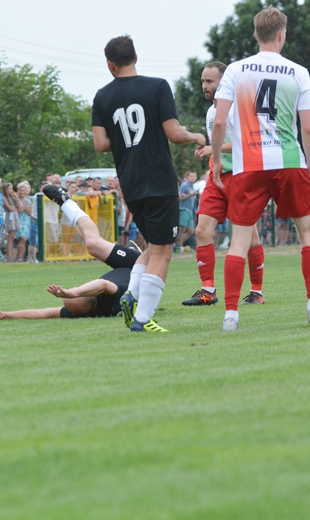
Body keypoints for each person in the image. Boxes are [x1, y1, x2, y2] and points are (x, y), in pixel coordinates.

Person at [210, 6, 310, 331]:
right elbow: (308, 129)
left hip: (249, 163)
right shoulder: (298, 72)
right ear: (282, 34)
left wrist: (218, 160)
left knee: (239, 239)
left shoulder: (235, 69)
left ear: (255, 34)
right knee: (308, 233)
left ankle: (231, 315)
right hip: (289, 160)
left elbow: (220, 120)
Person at [92, 35, 206, 333]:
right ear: (136, 58)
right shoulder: (157, 86)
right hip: (159, 180)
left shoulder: (102, 96)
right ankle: (141, 317)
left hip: (131, 183)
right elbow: (174, 133)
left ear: (110, 64)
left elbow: (101, 143)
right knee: (164, 252)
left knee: (153, 247)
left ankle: (132, 294)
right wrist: (196, 137)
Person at [0, 184, 141, 321]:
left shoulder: (84, 310)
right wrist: (74, 292)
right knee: (93, 243)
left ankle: (65, 201)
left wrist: (6, 314)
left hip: (126, 270)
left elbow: (44, 313)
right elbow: (103, 284)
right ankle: (67, 202)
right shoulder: (112, 298)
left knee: (91, 243)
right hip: (138, 266)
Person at [184, 61, 266, 306]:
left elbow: (248, 143)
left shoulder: (239, 109)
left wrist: (213, 148)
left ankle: (257, 292)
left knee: (250, 237)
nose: (204, 86)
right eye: (202, 81)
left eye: (210, 81)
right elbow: (217, 145)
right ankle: (208, 290)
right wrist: (210, 151)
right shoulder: (211, 112)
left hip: (242, 177)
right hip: (216, 177)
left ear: (224, 82)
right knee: (201, 231)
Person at [177, 170, 197, 253]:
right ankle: (179, 247)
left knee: (191, 231)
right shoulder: (184, 186)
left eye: (194, 176)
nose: (192, 178)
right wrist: (190, 194)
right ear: (187, 177)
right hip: (183, 209)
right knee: (182, 229)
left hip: (190, 210)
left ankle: (177, 244)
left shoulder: (192, 186)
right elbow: (179, 198)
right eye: (191, 176)